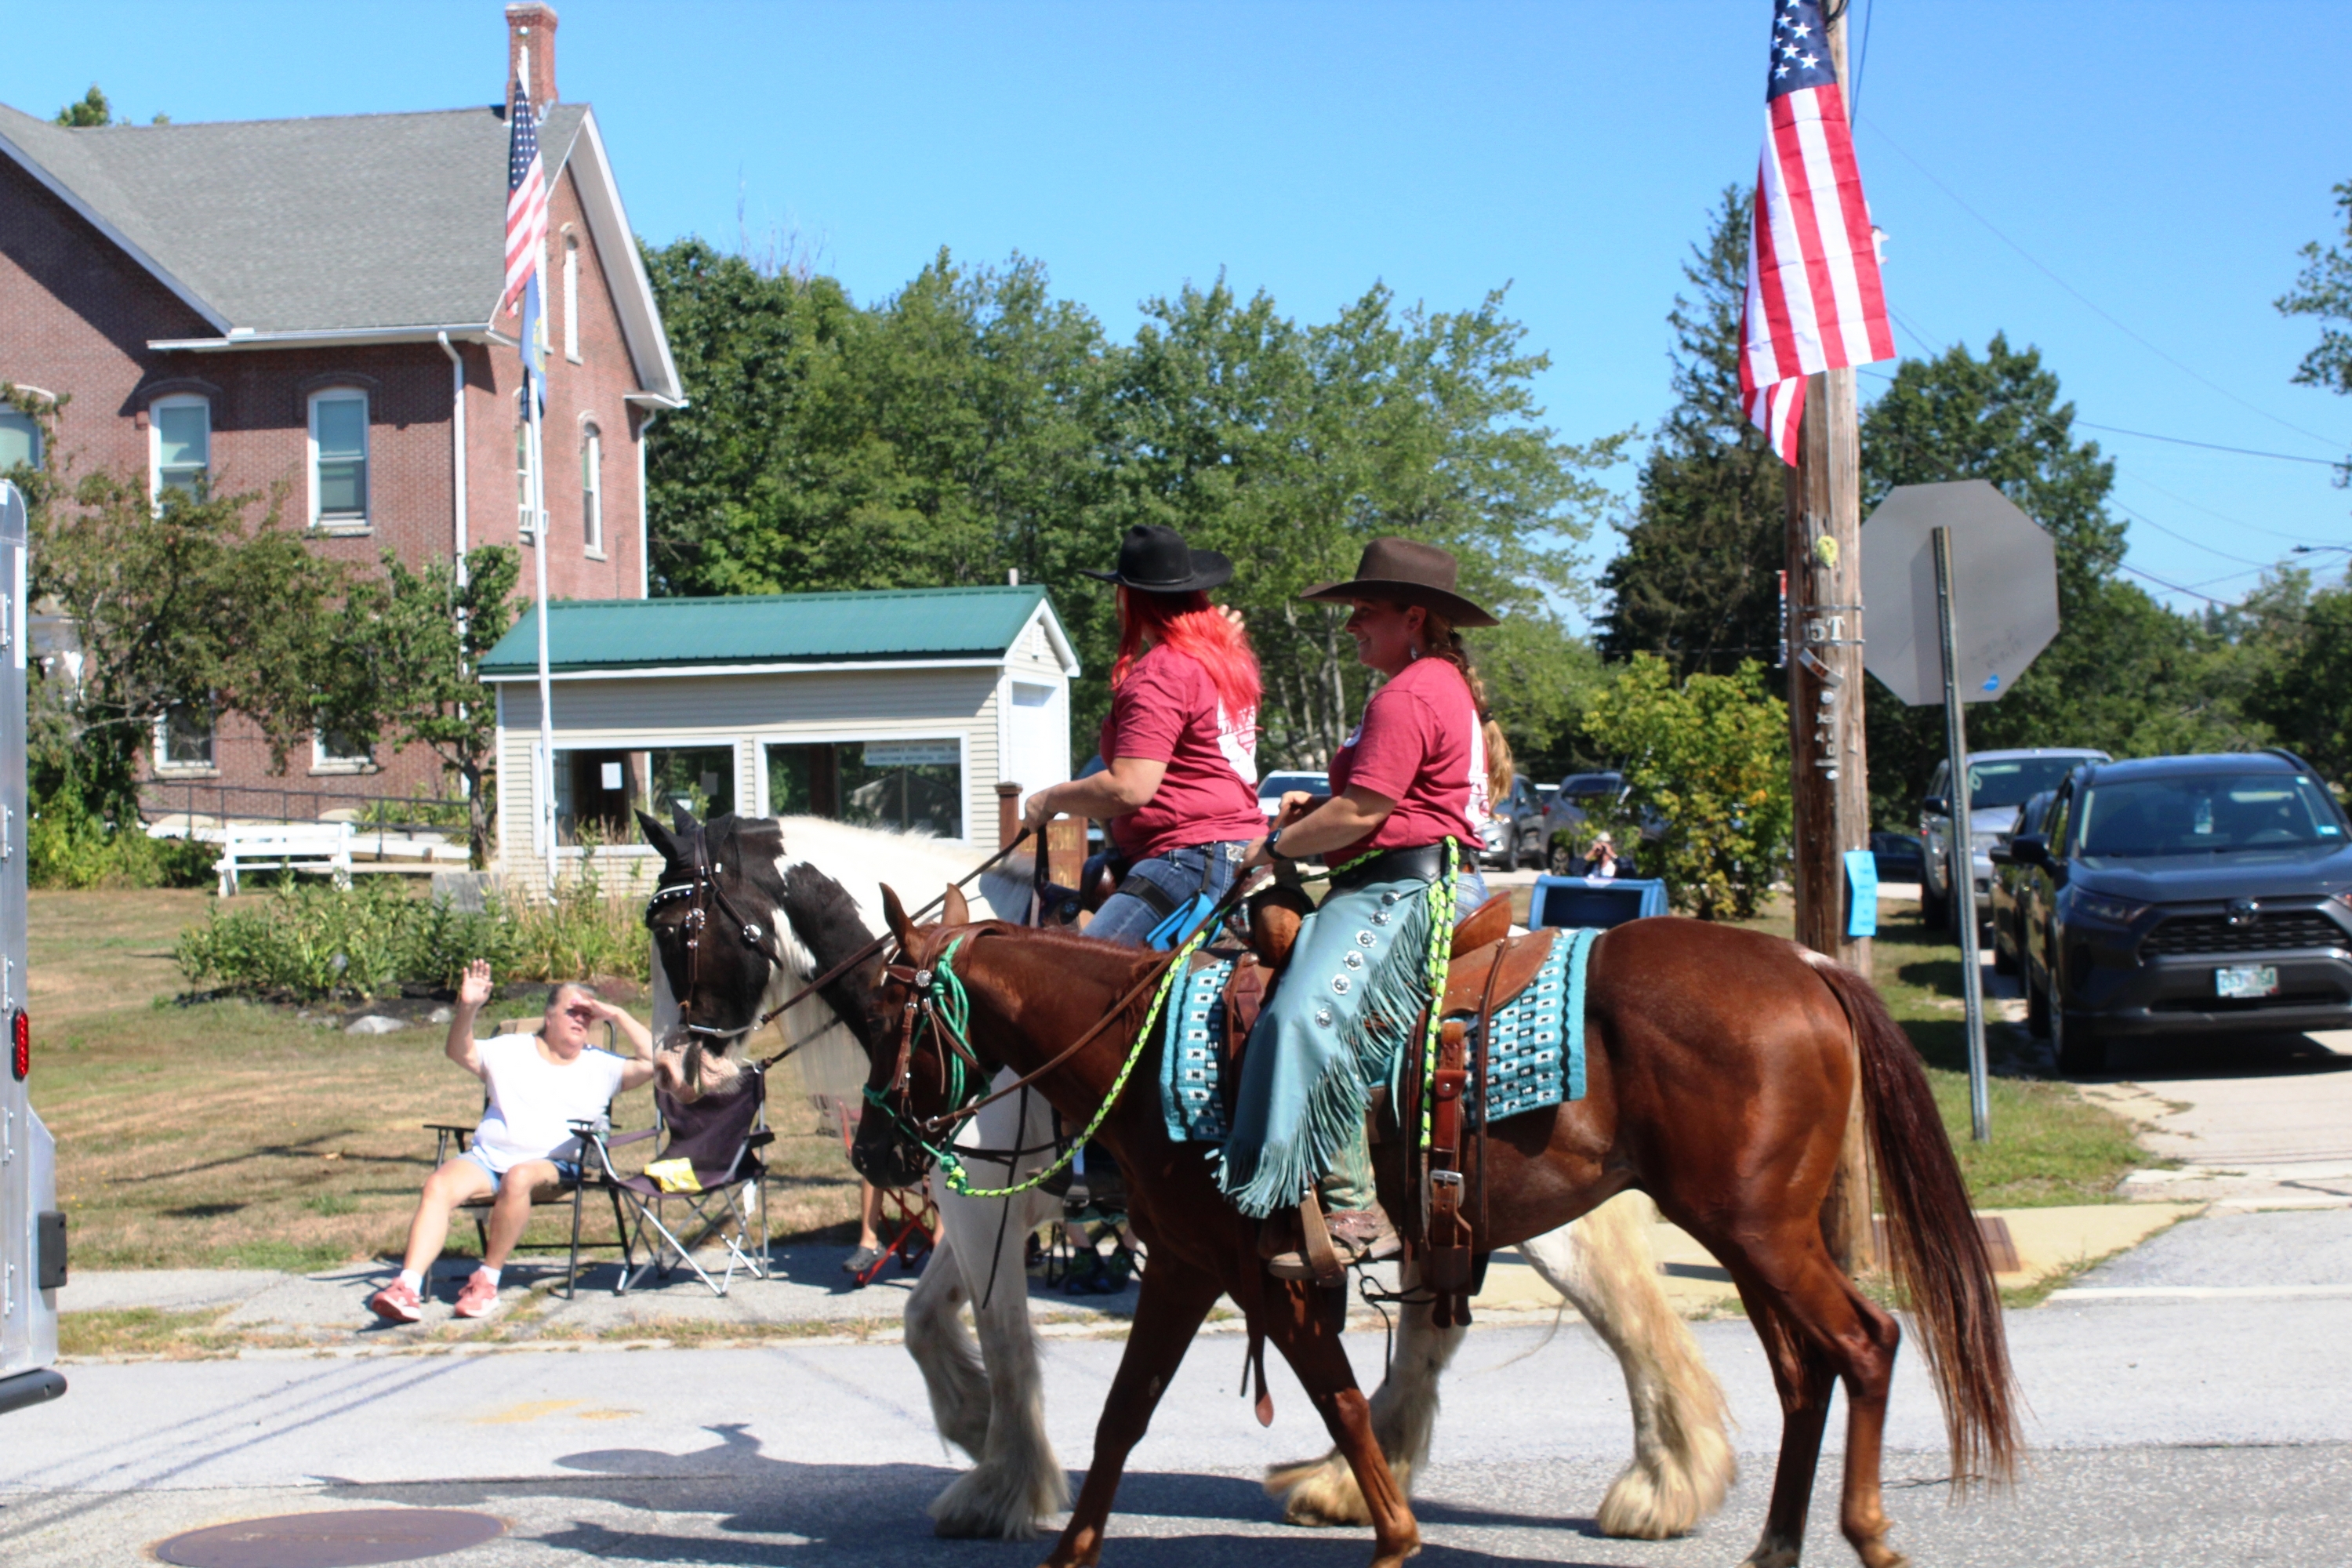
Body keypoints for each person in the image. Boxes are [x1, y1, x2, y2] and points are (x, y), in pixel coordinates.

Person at [1226, 537, 1511, 1277]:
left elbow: (1363, 814)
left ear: (1413, 617)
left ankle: (1353, 1209)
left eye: (1365, 612)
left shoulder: (1410, 693)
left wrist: (1277, 846)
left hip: (1401, 888)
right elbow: (1380, 803)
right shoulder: (1434, 684)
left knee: (1298, 1017)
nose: (1351, 625)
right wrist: (1314, 812)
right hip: (1401, 873)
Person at [368, 961, 656, 1323]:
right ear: (549, 1016)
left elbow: (654, 1060)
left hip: (557, 1164)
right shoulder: (510, 1050)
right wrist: (469, 1007)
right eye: (573, 1011)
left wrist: (617, 1013)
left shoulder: (603, 1065)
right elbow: (460, 1052)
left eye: (588, 1014)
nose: (581, 1020)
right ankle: (406, 1287)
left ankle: (487, 1281)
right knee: (438, 1185)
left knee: (518, 1176)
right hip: (489, 1159)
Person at [1020, 524, 1265, 947]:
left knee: (1081, 976)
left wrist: (1048, 799)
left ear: (1129, 599)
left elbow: (1129, 787)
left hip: (1187, 858)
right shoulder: (1226, 664)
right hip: (1243, 848)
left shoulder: (1163, 671)